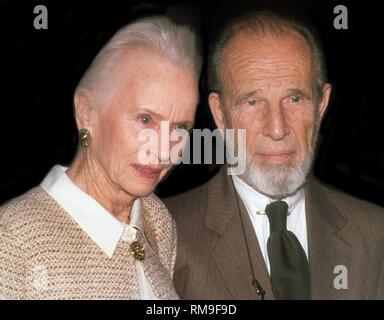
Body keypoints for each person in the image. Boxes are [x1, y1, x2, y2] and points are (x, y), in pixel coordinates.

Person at [164, 10, 384, 299]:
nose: (277, 129)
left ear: (321, 105)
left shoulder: (375, 233)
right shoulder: (161, 235)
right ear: (220, 113)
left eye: (295, 99)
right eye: (253, 102)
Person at [0, 16, 201, 299]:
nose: (164, 149)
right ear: (86, 113)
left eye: (180, 127)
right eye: (145, 119)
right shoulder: (12, 241)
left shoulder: (156, 220)